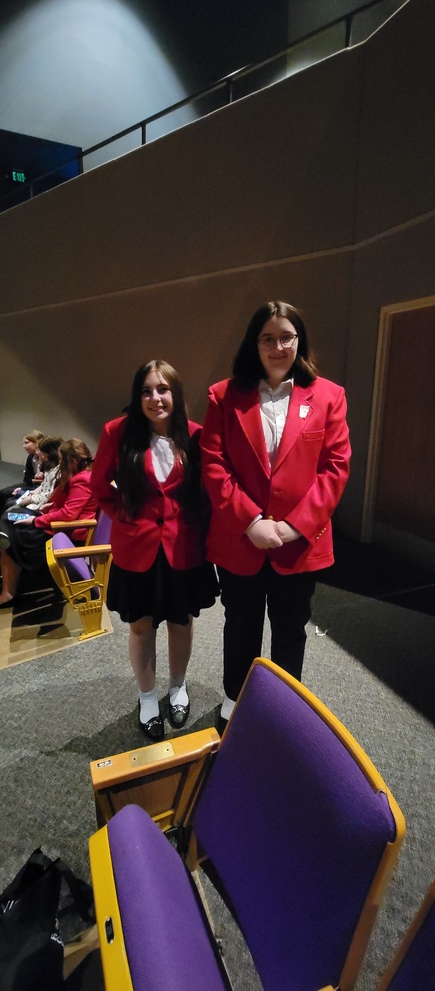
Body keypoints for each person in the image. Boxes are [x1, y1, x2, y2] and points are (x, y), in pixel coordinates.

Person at [200, 299, 351, 726]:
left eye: (286, 336)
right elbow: (214, 465)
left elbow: (335, 468)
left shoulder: (328, 396)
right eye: (268, 338)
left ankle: (286, 711)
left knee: (290, 629)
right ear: (255, 343)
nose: (278, 346)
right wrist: (250, 521)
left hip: (299, 542)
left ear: (298, 341)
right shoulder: (224, 396)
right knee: (240, 624)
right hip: (240, 537)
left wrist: (291, 526)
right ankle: (235, 700)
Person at [90, 359, 218, 741]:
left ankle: (177, 687)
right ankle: (147, 698)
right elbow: (99, 488)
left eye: (162, 389)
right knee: (141, 626)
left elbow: (210, 492)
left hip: (184, 548)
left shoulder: (196, 436)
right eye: (146, 390)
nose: (154, 397)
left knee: (182, 622)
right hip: (137, 548)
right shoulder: (117, 433)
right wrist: (125, 515)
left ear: (175, 395)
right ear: (137, 396)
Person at [0, 439, 98, 608]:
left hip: (67, 533)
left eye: (62, 460)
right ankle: (6, 544)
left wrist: (37, 520)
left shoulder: (82, 480)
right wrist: (51, 506)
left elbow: (69, 514)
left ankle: (8, 592)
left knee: (12, 532)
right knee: (10, 518)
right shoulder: (82, 475)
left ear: (71, 460)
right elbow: (67, 505)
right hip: (59, 525)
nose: (60, 464)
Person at [0, 430, 44, 514]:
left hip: (40, 488)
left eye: (27, 443)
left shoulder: (47, 459)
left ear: (37, 442)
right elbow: (27, 478)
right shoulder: (31, 457)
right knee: (2, 493)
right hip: (31, 484)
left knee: (9, 500)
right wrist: (34, 478)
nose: (24, 446)